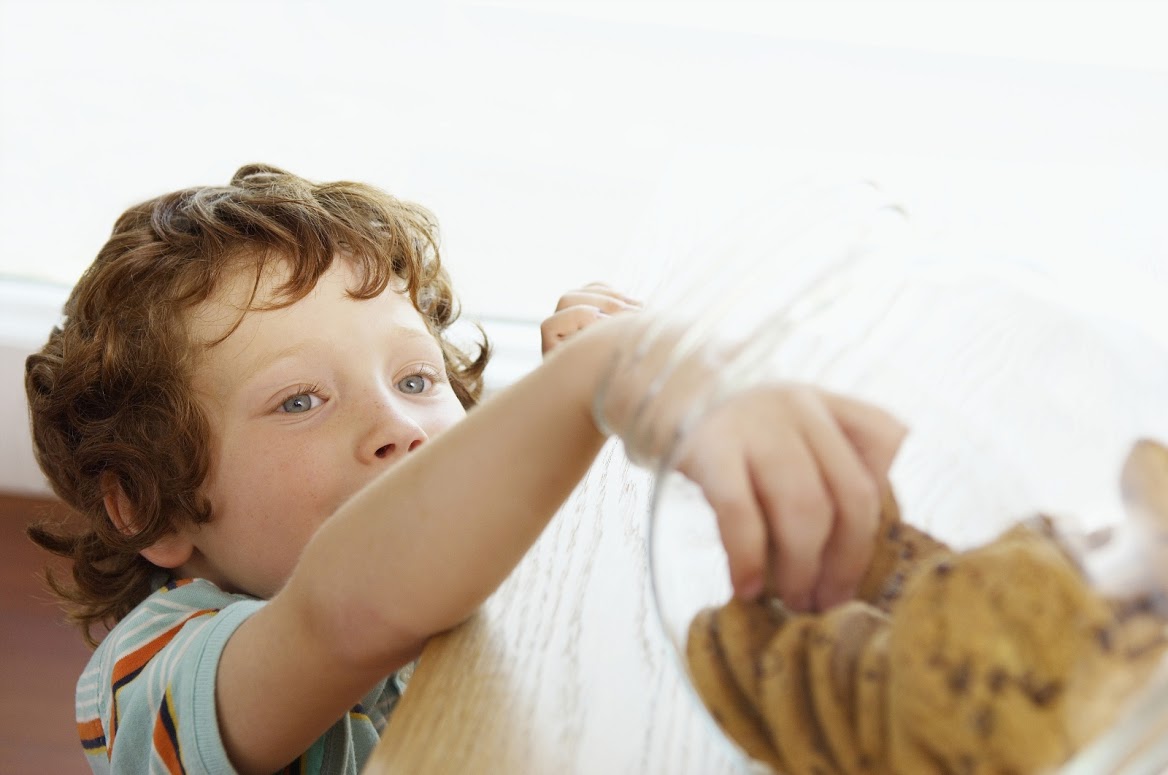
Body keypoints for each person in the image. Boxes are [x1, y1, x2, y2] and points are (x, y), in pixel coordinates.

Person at [25, 163, 906, 774]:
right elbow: (352, 607)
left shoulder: (468, 552)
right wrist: (588, 383)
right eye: (300, 400)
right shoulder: (148, 682)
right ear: (148, 506)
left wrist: (601, 416)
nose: (396, 424)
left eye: (417, 377)